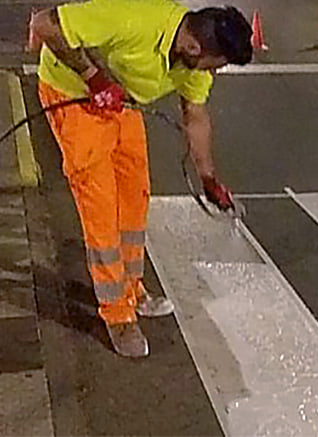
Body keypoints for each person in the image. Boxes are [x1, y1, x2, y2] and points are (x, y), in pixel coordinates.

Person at [31, 0, 253, 357]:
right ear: (195, 46)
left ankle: (131, 289)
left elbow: (195, 115)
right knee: (101, 208)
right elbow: (44, 24)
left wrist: (209, 179)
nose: (215, 73)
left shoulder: (193, 61)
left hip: (121, 102)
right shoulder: (134, 17)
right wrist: (94, 78)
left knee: (134, 198)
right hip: (72, 97)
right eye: (218, 64)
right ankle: (117, 315)